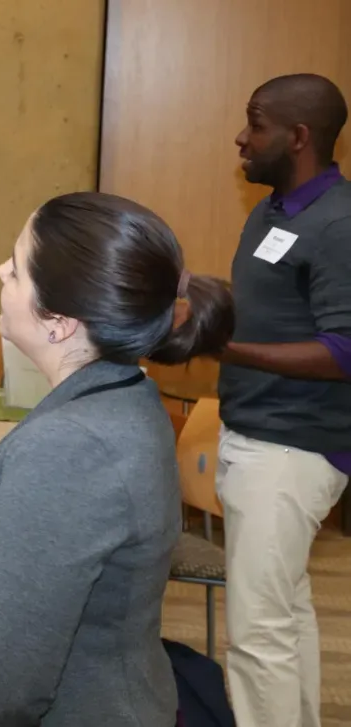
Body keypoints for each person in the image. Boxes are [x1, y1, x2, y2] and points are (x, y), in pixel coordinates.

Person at [0, 192, 235, 726]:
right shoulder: (127, 391)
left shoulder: (71, 446)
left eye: (16, 269)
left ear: (58, 321)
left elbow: (12, 677)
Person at [216, 73, 351, 727]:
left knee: (257, 635)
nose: (242, 136)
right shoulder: (272, 211)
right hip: (263, 438)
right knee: (283, 617)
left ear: (298, 137)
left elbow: (345, 350)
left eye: (256, 122)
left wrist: (227, 349)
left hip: (292, 448)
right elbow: (273, 313)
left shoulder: (338, 224)